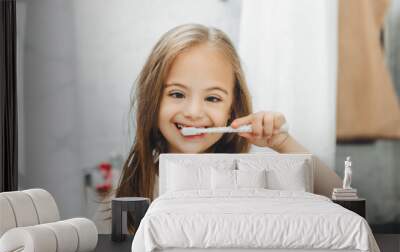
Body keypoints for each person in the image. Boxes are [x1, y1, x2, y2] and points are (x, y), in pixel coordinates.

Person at [116, 23, 341, 202]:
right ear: (153, 99)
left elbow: (343, 201)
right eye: (177, 94)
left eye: (212, 98)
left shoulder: (251, 177)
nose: (194, 112)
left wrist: (282, 142)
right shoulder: (130, 191)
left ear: (232, 109)